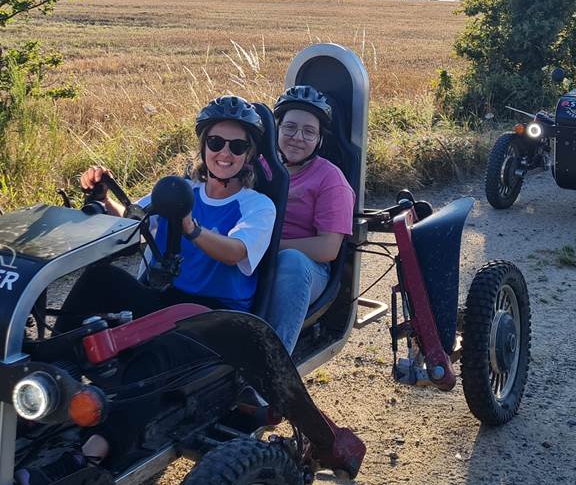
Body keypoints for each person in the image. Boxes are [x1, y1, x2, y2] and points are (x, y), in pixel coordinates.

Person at [53, 95, 277, 331]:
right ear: (203, 146)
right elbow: (133, 222)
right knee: (100, 278)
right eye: (215, 143)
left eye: (237, 146)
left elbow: (236, 252)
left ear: (249, 154)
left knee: (148, 361)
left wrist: (191, 229)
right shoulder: (181, 190)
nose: (225, 153)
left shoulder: (258, 205)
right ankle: (48, 361)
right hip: (169, 303)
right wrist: (104, 199)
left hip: (217, 317)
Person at [263, 85, 355, 353]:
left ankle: (275, 366)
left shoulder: (330, 179)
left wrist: (265, 247)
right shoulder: (255, 165)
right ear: (276, 129)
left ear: (319, 140)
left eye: (309, 131)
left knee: (290, 263)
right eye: (290, 127)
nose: (297, 137)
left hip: (306, 270)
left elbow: (327, 248)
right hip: (251, 257)